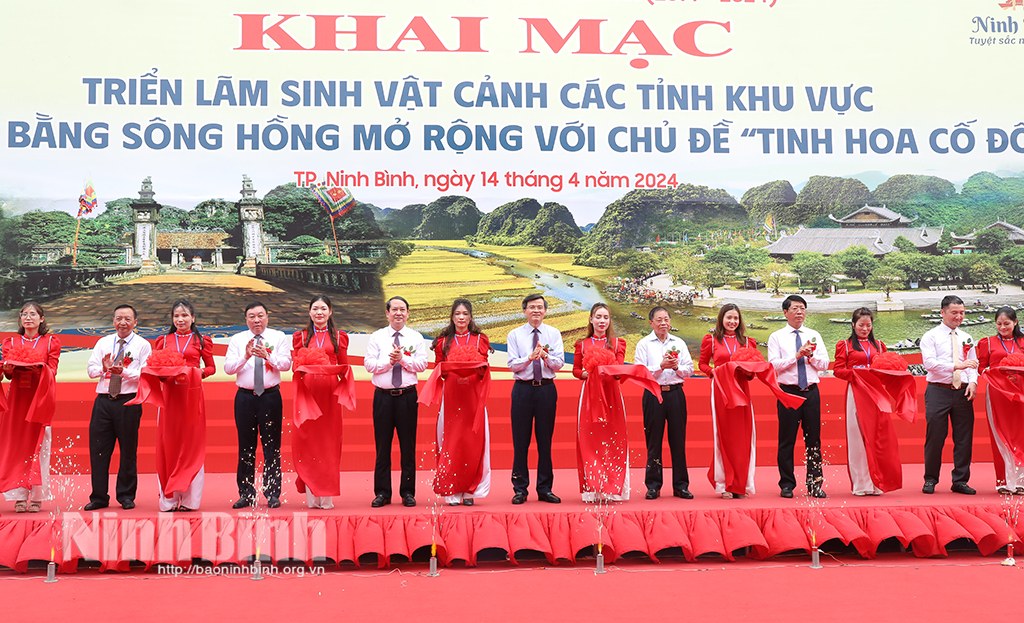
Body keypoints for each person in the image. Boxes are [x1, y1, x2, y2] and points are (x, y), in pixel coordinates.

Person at [224, 301, 292, 509]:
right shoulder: (237, 340)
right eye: (251, 316)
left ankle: (273, 493)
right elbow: (228, 368)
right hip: (245, 398)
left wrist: (267, 356)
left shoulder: (278, 337)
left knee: (272, 447)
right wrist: (245, 356)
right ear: (246, 319)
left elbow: (286, 364)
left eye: (260, 315)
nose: (256, 320)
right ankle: (246, 493)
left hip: (270, 397)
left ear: (267, 316)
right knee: (246, 447)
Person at [84, 304, 152, 511]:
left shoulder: (143, 345)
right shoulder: (103, 342)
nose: (122, 322)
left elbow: (145, 374)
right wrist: (103, 369)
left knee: (128, 450)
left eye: (127, 319)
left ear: (135, 322)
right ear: (113, 321)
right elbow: (90, 370)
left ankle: (126, 495)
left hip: (128, 401)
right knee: (98, 450)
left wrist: (123, 372)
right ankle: (98, 497)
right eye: (118, 318)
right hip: (103, 401)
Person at [151, 299, 214, 511]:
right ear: (172, 318)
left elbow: (211, 368)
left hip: (192, 396)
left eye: (185, 315)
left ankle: (190, 500)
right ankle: (168, 499)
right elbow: (155, 368)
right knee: (168, 444)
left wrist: (195, 373)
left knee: (191, 446)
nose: (180, 319)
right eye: (176, 315)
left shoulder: (202, 340)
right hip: (168, 397)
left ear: (193, 318)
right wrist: (161, 374)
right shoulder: (163, 340)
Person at [364, 296, 427, 508]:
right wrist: (389, 362)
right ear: (387, 314)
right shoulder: (377, 337)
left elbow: (422, 365)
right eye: (394, 309)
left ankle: (407, 492)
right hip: (382, 397)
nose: (398, 313)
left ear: (408, 313)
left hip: (407, 396)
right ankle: (382, 492)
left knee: (407, 446)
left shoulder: (416, 337)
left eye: (402, 309)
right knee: (383, 447)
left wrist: (403, 359)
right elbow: (369, 365)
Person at [833, 308, 904, 496]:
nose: (865, 329)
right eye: (861, 325)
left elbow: (886, 369)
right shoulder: (845, 345)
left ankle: (877, 482)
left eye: (868, 325)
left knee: (878, 437)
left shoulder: (879, 346)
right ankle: (861, 484)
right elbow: (838, 370)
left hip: (876, 394)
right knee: (857, 437)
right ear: (853, 325)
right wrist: (858, 373)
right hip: (856, 392)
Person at [430, 298, 491, 506]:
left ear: (471, 316)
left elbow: (485, 367)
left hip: (474, 397)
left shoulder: (480, 339)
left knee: (472, 443)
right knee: (452, 442)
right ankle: (452, 489)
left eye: (465, 314)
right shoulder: (443, 341)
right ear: (452, 316)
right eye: (457, 314)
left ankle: (469, 489)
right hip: (452, 397)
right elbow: (439, 369)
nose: (461, 318)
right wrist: (452, 369)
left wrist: (475, 369)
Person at [0, 302, 61, 513]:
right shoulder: (11, 341)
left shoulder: (51, 341)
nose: (28, 317)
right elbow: (8, 374)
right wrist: (7, 370)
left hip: (39, 399)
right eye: (24, 314)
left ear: (41, 319)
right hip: (17, 400)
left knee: (40, 446)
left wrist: (39, 368)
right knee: (16, 446)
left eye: (33, 314)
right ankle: (18, 495)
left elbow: (52, 370)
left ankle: (37, 495)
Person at [767, 295, 829, 499]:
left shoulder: (814, 334)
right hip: (788, 392)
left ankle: (814, 484)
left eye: (802, 308)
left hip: (811, 391)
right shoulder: (777, 337)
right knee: (787, 440)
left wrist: (810, 356)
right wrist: (796, 356)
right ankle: (786, 484)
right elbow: (773, 366)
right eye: (795, 308)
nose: (799, 312)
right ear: (785, 312)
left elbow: (825, 365)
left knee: (814, 441)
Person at [292, 295, 350, 509]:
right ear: (309, 312)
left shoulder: (339, 337)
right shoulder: (301, 336)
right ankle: (311, 494)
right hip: (307, 393)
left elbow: (344, 368)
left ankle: (325, 495)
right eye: (315, 308)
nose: (319, 312)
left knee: (328, 444)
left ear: (330, 312)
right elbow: (294, 367)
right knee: (308, 443)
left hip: (329, 395)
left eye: (323, 308)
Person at [507, 293, 565, 504]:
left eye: (540, 307)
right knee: (520, 441)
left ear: (545, 311)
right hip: (522, 390)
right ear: (524, 311)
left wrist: (545, 356)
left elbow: (559, 364)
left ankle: (545, 488)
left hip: (546, 390)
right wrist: (529, 358)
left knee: (545, 441)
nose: (536, 311)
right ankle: (520, 489)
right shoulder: (515, 334)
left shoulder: (553, 333)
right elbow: (512, 364)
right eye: (532, 307)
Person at [698, 303, 757, 499]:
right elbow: (703, 364)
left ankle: (741, 484)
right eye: (728, 317)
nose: (732, 321)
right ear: (721, 319)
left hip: (742, 390)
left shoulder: (749, 342)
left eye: (736, 318)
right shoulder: (712, 340)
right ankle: (724, 483)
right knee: (723, 435)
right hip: (721, 390)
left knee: (743, 437)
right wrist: (713, 372)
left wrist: (750, 371)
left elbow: (752, 373)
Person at [921, 295, 979, 495]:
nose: (959, 316)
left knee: (964, 437)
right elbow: (929, 364)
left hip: (962, 391)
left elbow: (973, 364)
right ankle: (930, 479)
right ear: (942, 312)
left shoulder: (966, 337)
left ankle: (960, 481)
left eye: (962, 312)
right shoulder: (931, 336)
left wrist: (973, 382)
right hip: (938, 390)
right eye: (954, 312)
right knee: (935, 437)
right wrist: (956, 366)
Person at [635, 306, 694, 500]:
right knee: (653, 442)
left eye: (666, 319)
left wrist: (676, 367)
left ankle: (681, 485)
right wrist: (660, 367)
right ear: (651, 322)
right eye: (659, 320)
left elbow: (689, 370)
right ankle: (653, 485)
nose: (663, 323)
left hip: (676, 394)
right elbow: (640, 372)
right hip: (653, 394)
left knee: (678, 441)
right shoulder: (644, 344)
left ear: (670, 322)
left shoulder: (679, 342)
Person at [572, 303, 629, 501]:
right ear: (591, 319)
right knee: (590, 438)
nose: (602, 321)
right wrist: (585, 374)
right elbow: (576, 370)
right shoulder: (582, 344)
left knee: (613, 437)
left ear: (609, 320)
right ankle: (593, 488)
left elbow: (620, 370)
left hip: (612, 394)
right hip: (589, 394)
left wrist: (608, 371)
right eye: (598, 317)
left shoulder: (618, 343)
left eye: (605, 317)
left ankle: (612, 488)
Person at [976, 306, 1024, 495]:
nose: (1002, 327)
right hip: (997, 393)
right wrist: (991, 372)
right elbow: (981, 368)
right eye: (999, 324)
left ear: (1015, 322)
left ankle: (1021, 481)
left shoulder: (1022, 341)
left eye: (1007, 324)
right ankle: (1005, 482)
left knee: (1021, 435)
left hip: (1020, 393)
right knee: (1000, 435)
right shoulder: (987, 343)